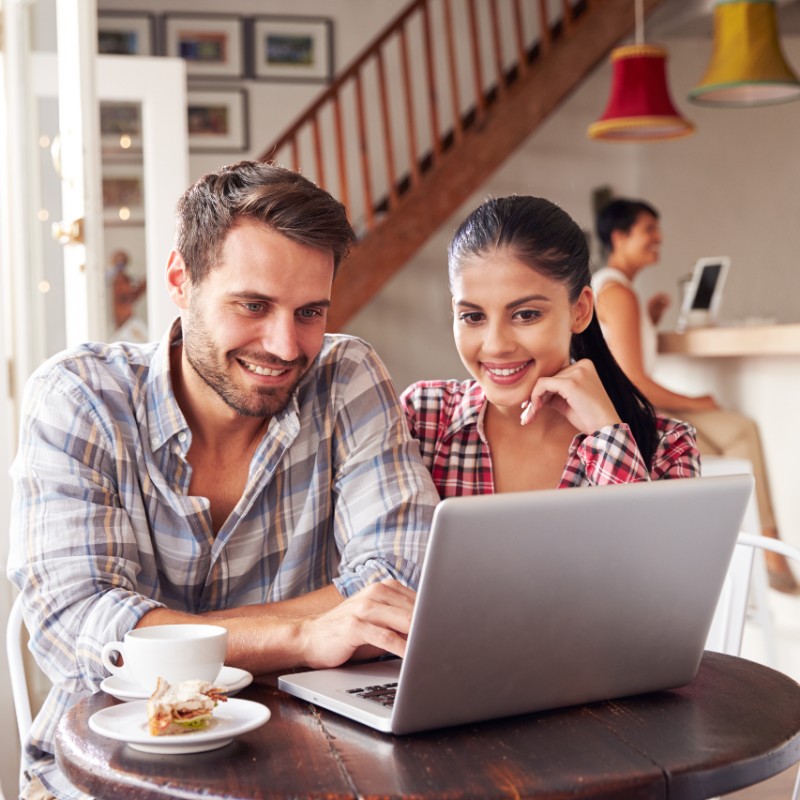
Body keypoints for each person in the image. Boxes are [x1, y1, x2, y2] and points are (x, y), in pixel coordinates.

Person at [7, 161, 440, 800]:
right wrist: (303, 635)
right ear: (181, 280)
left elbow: (402, 578)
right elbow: (77, 625)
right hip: (108, 768)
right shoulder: (80, 395)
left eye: (310, 312)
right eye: (253, 305)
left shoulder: (346, 376)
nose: (286, 345)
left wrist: (163, 631)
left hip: (302, 762)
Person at [401, 195, 700, 502]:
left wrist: (608, 436)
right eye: (473, 316)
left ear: (580, 310)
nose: (496, 345)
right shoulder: (421, 419)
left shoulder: (667, 445)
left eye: (526, 314)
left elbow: (661, 551)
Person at [593, 197, 797, 593]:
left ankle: (766, 552)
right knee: (732, 439)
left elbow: (617, 354)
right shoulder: (617, 294)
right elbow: (633, 379)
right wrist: (698, 401)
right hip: (634, 421)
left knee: (740, 431)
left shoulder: (614, 291)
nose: (659, 238)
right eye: (648, 230)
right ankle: (748, 562)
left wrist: (647, 320)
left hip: (638, 412)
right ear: (619, 236)